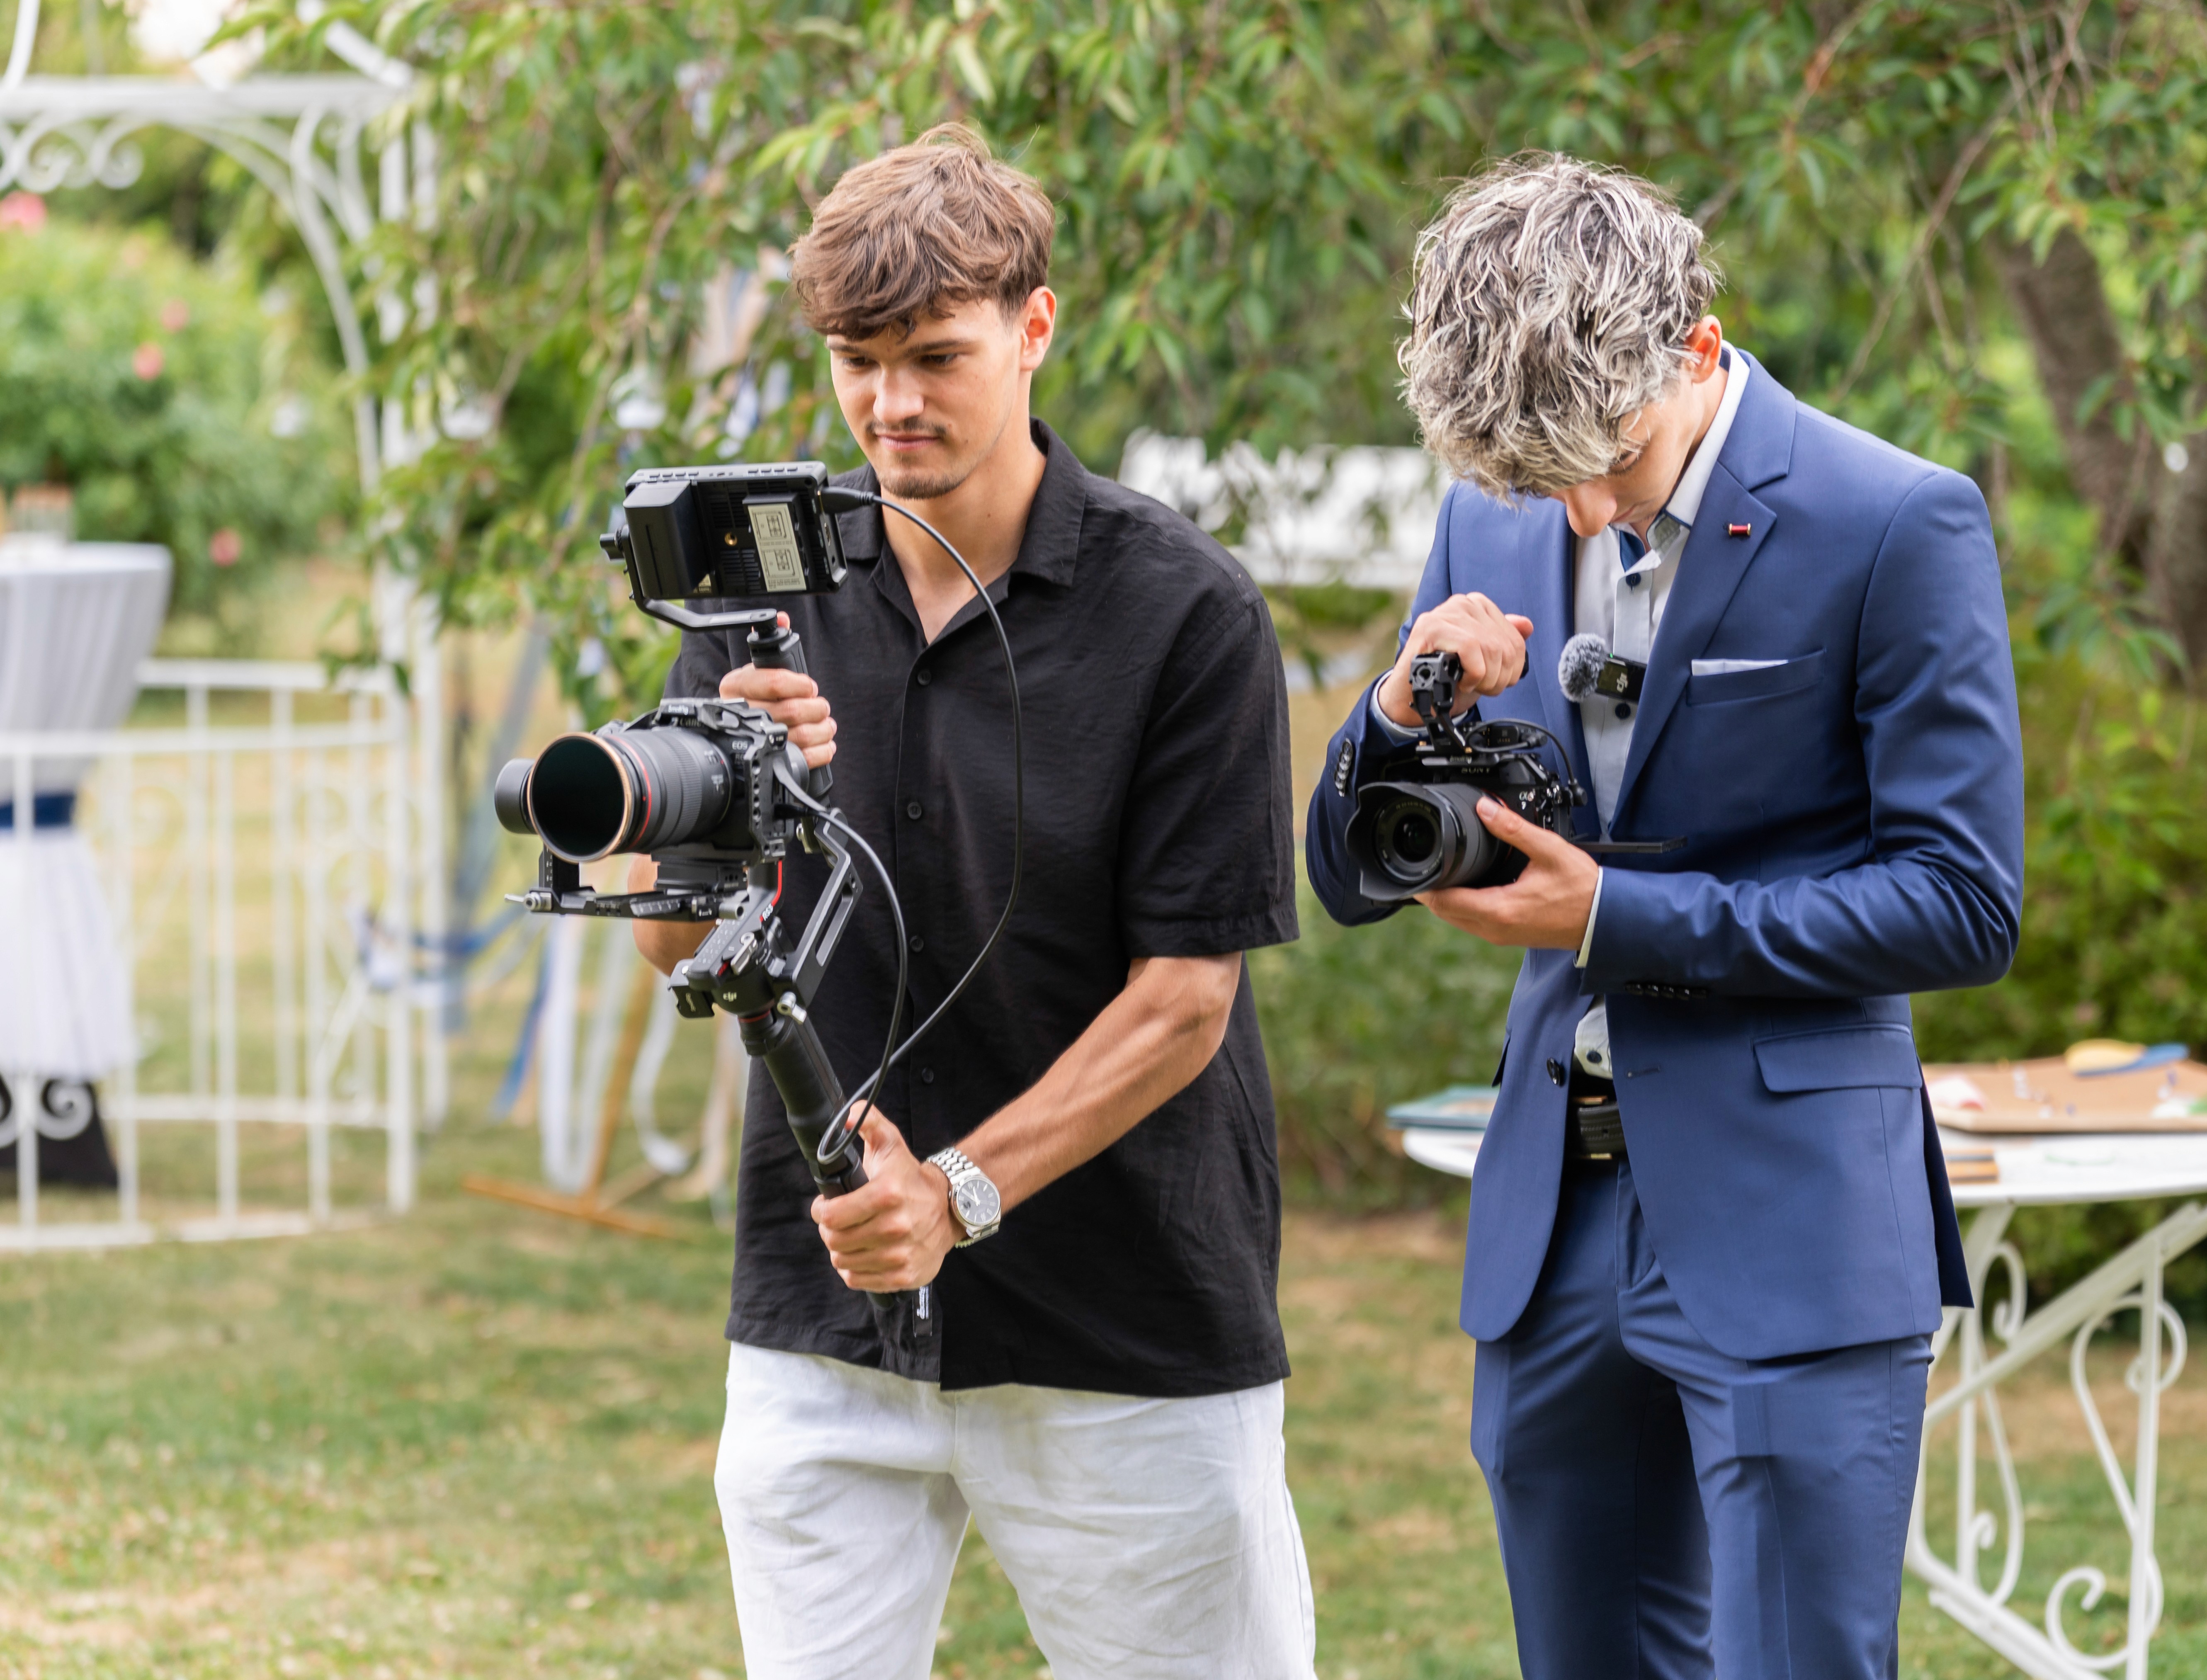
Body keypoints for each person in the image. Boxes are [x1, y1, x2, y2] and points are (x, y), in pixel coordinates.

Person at [1305, 154, 2023, 1679]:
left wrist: (1614, 917)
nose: (1572, 507)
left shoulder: (1898, 520)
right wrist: (1391, 704)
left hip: (1792, 1219)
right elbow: (1343, 873)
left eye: (1608, 462)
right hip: (1550, 1225)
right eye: (1527, 477)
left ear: (1694, 351)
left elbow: (1962, 905)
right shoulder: (1494, 510)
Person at [630, 126, 1314, 1680]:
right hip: (825, 1313)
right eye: (856, 361)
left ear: (1037, 327)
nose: (891, 404)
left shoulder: (1185, 611)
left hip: (1125, 1315)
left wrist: (957, 1195)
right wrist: (728, 803)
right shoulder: (759, 595)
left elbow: (1184, 998)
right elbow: (673, 941)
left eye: (935, 354)